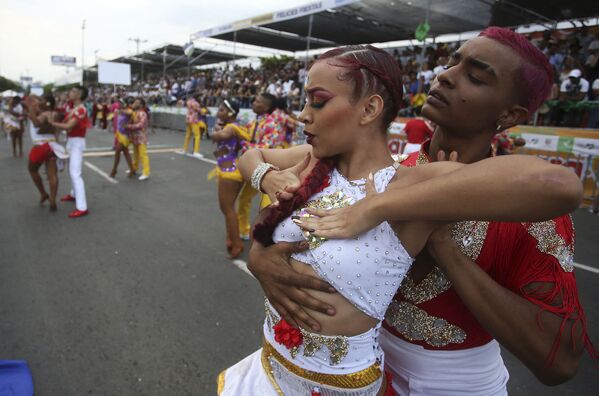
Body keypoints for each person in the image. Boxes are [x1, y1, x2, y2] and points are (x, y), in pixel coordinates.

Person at [219, 43, 584, 396]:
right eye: (452, 62)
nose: (444, 75)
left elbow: (559, 364)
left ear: (510, 115)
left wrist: (430, 237)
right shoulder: (384, 168)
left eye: (475, 76)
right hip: (359, 364)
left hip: (454, 382)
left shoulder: (524, 208)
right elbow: (258, 161)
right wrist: (264, 254)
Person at [211, 99, 247, 259]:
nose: (219, 112)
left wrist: (215, 131)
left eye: (222, 110)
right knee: (227, 208)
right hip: (226, 169)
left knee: (227, 208)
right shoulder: (232, 126)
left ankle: (237, 243)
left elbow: (220, 136)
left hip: (230, 171)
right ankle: (231, 237)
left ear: (231, 113)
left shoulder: (231, 127)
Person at [50, 85, 90, 218]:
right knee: (72, 171)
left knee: (75, 173)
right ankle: (73, 194)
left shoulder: (81, 110)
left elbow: (68, 126)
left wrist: (52, 123)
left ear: (79, 95)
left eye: (73, 91)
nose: (70, 93)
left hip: (77, 142)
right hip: (72, 141)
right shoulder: (74, 108)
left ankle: (82, 207)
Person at [23, 95, 60, 211]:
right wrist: (31, 108)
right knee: (52, 175)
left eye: (41, 101)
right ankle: (53, 200)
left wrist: (30, 109)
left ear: (47, 103)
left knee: (32, 170)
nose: (37, 103)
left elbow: (37, 124)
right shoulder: (53, 113)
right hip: (52, 146)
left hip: (40, 147)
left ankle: (44, 193)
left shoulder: (45, 114)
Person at [109, 99, 135, 179]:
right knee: (126, 153)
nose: (119, 105)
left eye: (121, 103)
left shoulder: (128, 111)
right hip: (120, 134)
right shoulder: (119, 111)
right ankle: (132, 169)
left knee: (117, 152)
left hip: (125, 135)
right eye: (119, 103)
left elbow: (130, 113)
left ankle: (114, 170)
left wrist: (121, 111)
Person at [126, 98, 150, 181]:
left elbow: (141, 125)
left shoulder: (142, 113)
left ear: (141, 105)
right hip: (134, 137)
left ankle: (146, 173)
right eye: (135, 102)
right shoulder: (134, 112)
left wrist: (129, 126)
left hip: (141, 137)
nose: (135, 103)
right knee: (135, 154)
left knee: (143, 155)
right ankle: (134, 168)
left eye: (137, 103)